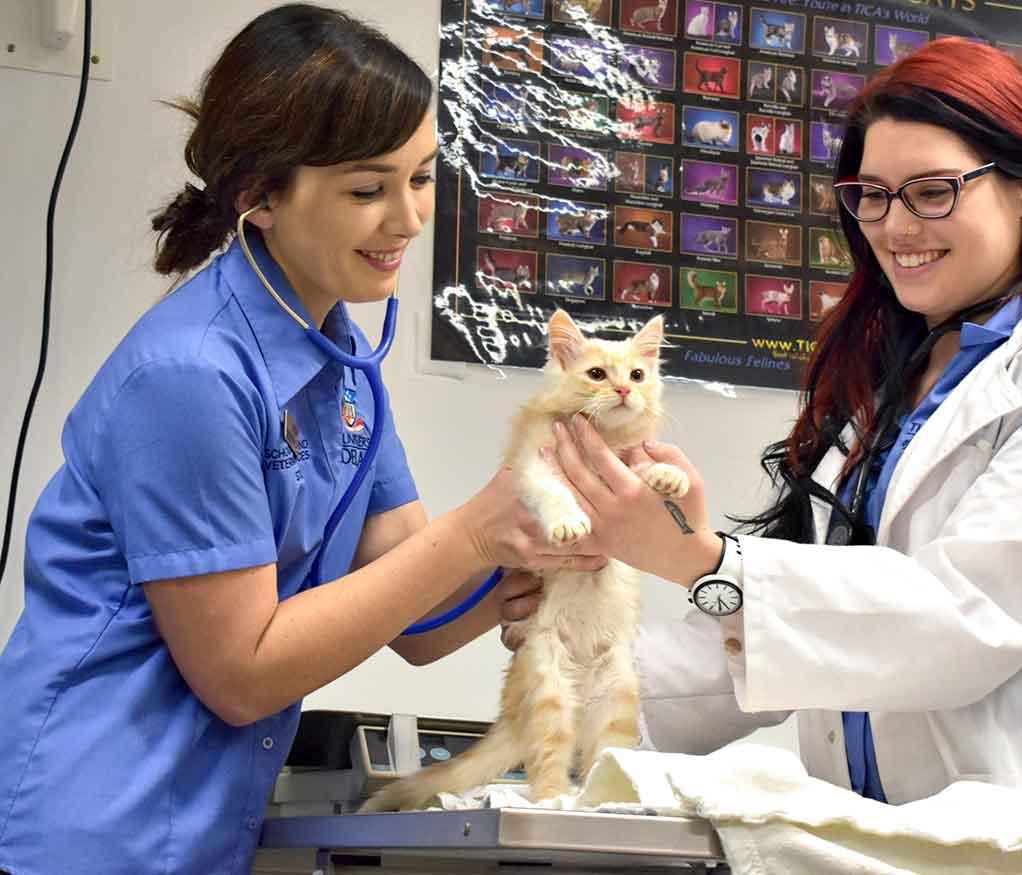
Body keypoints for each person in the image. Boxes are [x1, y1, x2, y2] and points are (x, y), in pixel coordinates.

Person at [0, 6, 598, 874]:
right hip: (90, 829)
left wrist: (533, 557)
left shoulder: (340, 354)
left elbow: (419, 615)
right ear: (260, 194)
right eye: (368, 189)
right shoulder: (191, 376)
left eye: (422, 177)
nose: (408, 219)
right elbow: (241, 673)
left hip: (199, 832)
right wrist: (479, 529)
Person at [505, 37, 1022, 819]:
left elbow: (968, 618)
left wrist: (703, 561)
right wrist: (583, 656)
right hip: (879, 837)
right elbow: (796, 648)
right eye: (873, 195)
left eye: (932, 190)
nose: (896, 227)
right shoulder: (877, 402)